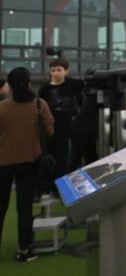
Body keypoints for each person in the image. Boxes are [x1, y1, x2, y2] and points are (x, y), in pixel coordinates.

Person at [0, 67, 55, 262]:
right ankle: (24, 250)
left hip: (3, 162)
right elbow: (49, 131)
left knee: (1, 206)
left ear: (10, 85)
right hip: (29, 161)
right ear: (29, 83)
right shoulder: (40, 105)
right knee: (24, 208)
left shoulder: (2, 108)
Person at [38, 57, 82, 190]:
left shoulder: (73, 85)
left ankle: (61, 188)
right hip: (49, 128)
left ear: (66, 71)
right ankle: (48, 186)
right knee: (49, 157)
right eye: (53, 70)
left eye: (59, 70)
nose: (56, 73)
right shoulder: (45, 89)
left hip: (66, 128)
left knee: (64, 158)